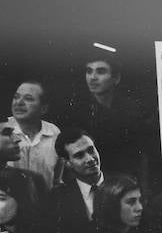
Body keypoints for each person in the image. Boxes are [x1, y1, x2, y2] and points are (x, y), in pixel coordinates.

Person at [63, 49, 151, 193]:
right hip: (91, 181)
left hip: (125, 181)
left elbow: (141, 155)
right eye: (89, 71)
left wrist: (143, 189)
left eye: (101, 71)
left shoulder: (131, 110)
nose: (92, 77)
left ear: (116, 78)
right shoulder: (77, 112)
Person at [5, 80, 62, 190]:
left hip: (46, 203)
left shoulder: (54, 133)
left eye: (28, 99)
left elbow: (58, 179)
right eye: (16, 97)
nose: (19, 103)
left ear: (43, 108)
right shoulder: (2, 130)